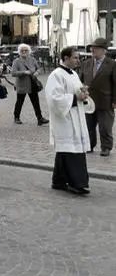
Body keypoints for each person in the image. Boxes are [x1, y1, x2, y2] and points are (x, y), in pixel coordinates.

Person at [47, 46, 92, 194]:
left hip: (76, 116)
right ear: (66, 58)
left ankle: (59, 180)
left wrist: (83, 94)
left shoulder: (73, 74)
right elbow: (54, 99)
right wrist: (74, 98)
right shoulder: (56, 75)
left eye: (78, 58)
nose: (78, 60)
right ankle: (76, 183)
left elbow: (78, 91)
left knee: (67, 150)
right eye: (75, 57)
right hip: (65, 119)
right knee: (70, 150)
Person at [80, 37, 116, 157]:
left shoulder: (112, 64)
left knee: (105, 127)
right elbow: (80, 81)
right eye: (92, 47)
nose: (92, 49)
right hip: (89, 101)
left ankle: (106, 147)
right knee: (89, 125)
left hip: (105, 101)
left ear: (104, 50)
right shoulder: (86, 63)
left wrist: (115, 100)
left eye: (96, 48)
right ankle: (89, 145)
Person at [11, 43, 49, 126]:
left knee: (36, 102)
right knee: (19, 102)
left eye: (26, 50)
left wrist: (37, 72)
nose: (24, 52)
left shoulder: (32, 59)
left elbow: (39, 68)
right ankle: (16, 117)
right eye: (22, 50)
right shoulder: (16, 61)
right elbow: (13, 73)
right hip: (22, 84)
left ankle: (40, 118)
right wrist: (24, 72)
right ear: (19, 52)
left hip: (32, 83)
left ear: (29, 51)